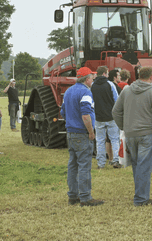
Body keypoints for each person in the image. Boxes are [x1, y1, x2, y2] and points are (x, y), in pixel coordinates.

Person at [112, 66, 152, 206]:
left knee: (137, 165)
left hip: (131, 134)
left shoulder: (127, 90)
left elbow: (116, 111)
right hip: (147, 133)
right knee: (145, 166)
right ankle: (141, 198)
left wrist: (124, 127)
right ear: (151, 76)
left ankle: (140, 195)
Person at [61, 67, 104, 206]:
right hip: (82, 133)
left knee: (73, 165)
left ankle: (73, 195)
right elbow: (85, 115)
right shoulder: (86, 92)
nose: (93, 79)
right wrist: (91, 132)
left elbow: (63, 112)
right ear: (86, 79)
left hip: (70, 133)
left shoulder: (68, 91)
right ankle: (85, 197)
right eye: (92, 77)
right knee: (84, 165)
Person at [91, 66, 122, 169]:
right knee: (114, 139)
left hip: (98, 117)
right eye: (107, 73)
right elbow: (116, 100)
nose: (108, 75)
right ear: (104, 73)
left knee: (100, 140)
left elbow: (91, 102)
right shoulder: (110, 84)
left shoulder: (92, 85)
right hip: (110, 117)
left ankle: (100, 163)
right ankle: (116, 160)